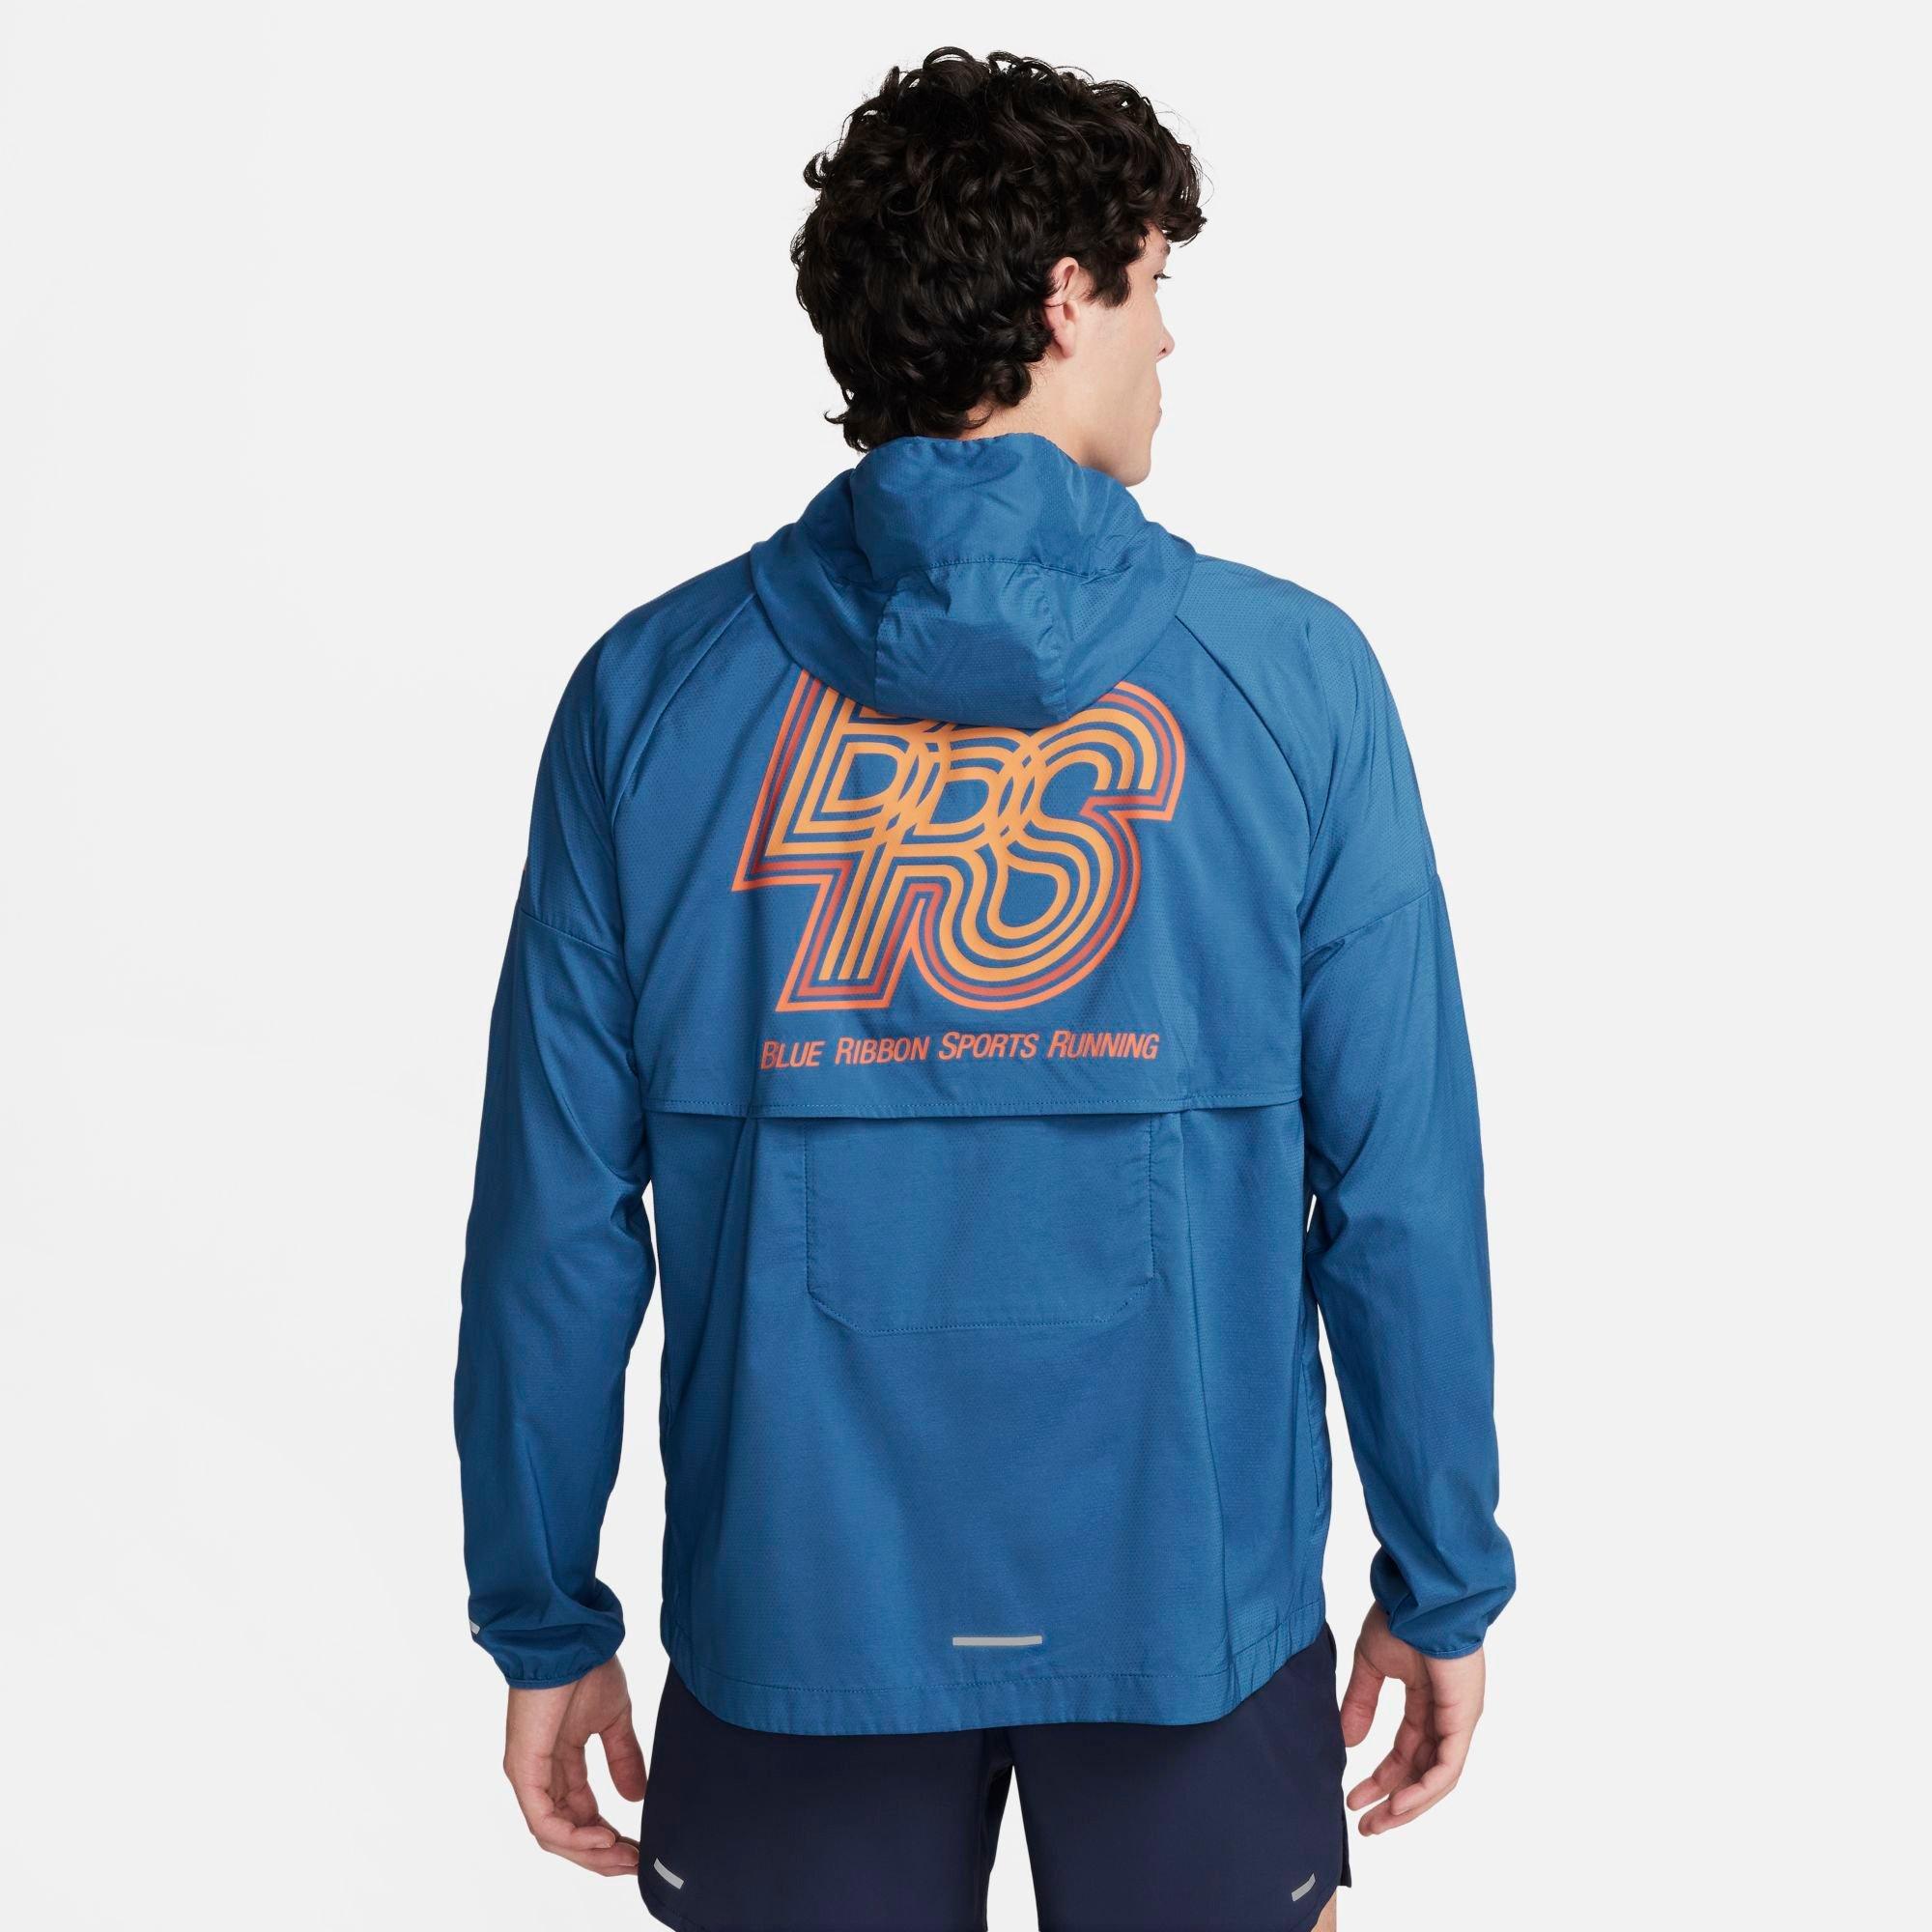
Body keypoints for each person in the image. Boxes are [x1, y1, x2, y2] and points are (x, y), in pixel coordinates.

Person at [455, 46, 1514, 1932]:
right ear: (1064, 297)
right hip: (1190, 1612)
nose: (1171, 339)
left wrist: (545, 1615)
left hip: (797, 1617)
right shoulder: (1291, 685)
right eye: (1156, 284)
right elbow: (1402, 1194)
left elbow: (553, 1223)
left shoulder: (652, 697)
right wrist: (1439, 1578)